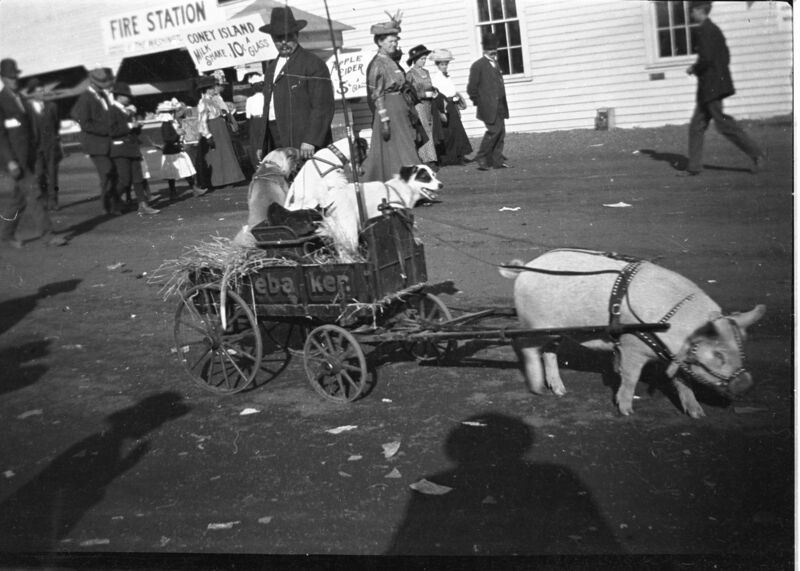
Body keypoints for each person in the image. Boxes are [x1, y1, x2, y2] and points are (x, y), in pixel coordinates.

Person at [680, 1, 766, 176]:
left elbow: (706, 58)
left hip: (711, 87)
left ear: (700, 10)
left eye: (692, 11)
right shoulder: (714, 30)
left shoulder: (705, 30)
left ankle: (757, 154)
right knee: (696, 126)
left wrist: (694, 68)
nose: (690, 14)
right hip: (711, 86)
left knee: (723, 124)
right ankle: (694, 167)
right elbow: (725, 56)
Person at [0, 58, 66, 248]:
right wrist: (10, 161)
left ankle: (5, 234)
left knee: (19, 200)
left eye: (15, 76)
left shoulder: (21, 99)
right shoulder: (1, 101)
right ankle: (48, 235)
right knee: (35, 192)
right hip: (14, 159)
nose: (14, 80)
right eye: (10, 77)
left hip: (29, 156)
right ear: (2, 78)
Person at [258, 7, 334, 162]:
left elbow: (323, 106)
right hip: (275, 135)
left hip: (302, 139)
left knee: (308, 174)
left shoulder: (312, 64)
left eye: (288, 38)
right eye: (278, 38)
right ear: (272, 39)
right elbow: (267, 107)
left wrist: (311, 139)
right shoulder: (271, 68)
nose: (283, 43)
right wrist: (262, 142)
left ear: (297, 35)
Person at [360, 14, 421, 182]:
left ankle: (405, 182)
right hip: (389, 110)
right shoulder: (377, 64)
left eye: (395, 41)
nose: (394, 44)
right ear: (380, 42)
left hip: (400, 108)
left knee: (404, 146)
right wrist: (384, 119)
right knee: (401, 148)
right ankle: (410, 181)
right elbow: (376, 94)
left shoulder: (390, 61)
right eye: (390, 41)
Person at [71, 67, 120, 214]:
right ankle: (107, 205)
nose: (106, 85)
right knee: (107, 172)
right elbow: (84, 122)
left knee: (114, 173)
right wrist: (106, 129)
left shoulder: (102, 96)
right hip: (96, 144)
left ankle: (114, 204)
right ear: (94, 83)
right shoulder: (85, 98)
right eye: (103, 82)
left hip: (107, 143)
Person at [108, 82, 158, 215]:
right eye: (126, 96)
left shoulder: (127, 111)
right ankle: (112, 201)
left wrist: (139, 125)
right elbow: (111, 131)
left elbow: (133, 131)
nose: (129, 98)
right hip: (120, 150)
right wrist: (130, 126)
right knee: (125, 180)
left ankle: (143, 205)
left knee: (138, 178)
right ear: (119, 96)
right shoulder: (111, 111)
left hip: (132, 148)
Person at [467, 34, 510, 171]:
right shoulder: (478, 66)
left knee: (501, 132)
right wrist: (480, 103)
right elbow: (472, 88)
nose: (493, 51)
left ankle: (497, 161)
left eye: (495, 49)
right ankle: (481, 157)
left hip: (500, 105)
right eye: (490, 49)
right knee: (493, 131)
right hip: (488, 106)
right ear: (484, 50)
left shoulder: (495, 63)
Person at [197, 74, 245, 190]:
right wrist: (208, 135)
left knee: (225, 152)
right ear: (207, 89)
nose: (214, 89)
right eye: (212, 88)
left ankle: (229, 178)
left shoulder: (213, 100)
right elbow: (202, 121)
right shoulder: (203, 102)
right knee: (217, 155)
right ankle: (219, 180)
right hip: (213, 128)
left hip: (220, 127)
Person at [428, 49, 473, 166]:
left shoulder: (447, 77)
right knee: (448, 132)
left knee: (457, 130)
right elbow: (437, 95)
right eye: (442, 64)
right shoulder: (436, 78)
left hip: (452, 105)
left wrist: (456, 98)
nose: (444, 66)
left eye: (446, 64)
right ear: (437, 65)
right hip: (444, 105)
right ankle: (449, 158)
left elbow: (451, 91)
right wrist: (441, 110)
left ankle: (459, 155)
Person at [26, 78, 62, 211]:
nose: (41, 93)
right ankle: (45, 198)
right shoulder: (27, 109)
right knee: (39, 175)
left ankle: (54, 201)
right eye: (38, 91)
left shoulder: (52, 106)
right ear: (32, 93)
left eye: (42, 90)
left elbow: (56, 124)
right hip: (36, 148)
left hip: (51, 146)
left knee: (53, 175)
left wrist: (55, 140)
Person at [157, 99, 202, 200]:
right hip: (171, 151)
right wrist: (177, 134)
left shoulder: (170, 123)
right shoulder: (166, 125)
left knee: (185, 170)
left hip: (175, 150)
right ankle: (175, 192)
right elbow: (167, 138)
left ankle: (194, 189)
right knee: (172, 174)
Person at [405, 45, 438, 169]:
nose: (424, 61)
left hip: (429, 103)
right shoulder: (410, 74)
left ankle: (429, 156)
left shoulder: (426, 72)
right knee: (424, 129)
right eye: (421, 59)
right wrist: (422, 94)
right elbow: (408, 92)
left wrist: (434, 91)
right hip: (418, 104)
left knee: (430, 127)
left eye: (425, 59)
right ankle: (428, 159)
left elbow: (429, 86)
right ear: (415, 60)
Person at [244, 72, 266, 169]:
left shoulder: (250, 100)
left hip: (256, 122)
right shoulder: (266, 97)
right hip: (263, 121)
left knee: (256, 143)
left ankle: (259, 164)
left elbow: (248, 115)